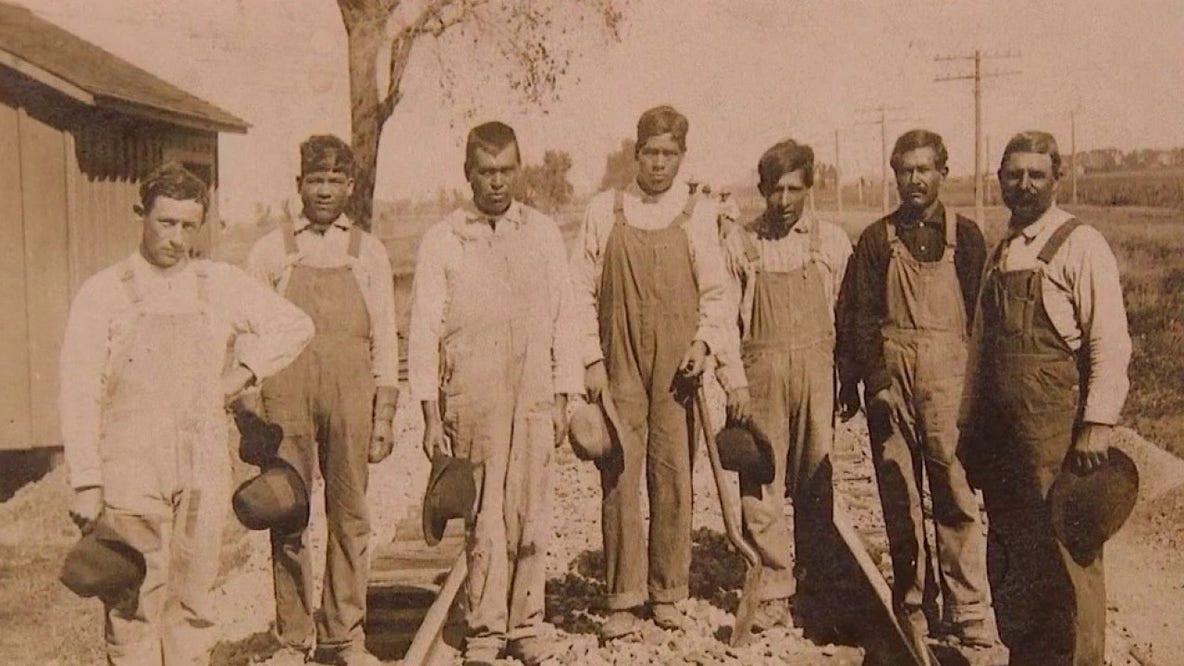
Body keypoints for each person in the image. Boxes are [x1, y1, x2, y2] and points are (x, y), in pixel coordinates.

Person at [60, 163, 314, 665]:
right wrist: (87, 480)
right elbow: (77, 389)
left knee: (193, 604)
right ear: (142, 215)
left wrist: (239, 374)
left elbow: (295, 325)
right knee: (132, 604)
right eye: (166, 223)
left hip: (201, 466)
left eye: (188, 226)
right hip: (130, 467)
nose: (177, 238)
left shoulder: (217, 283)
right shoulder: (104, 292)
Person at [571, 105, 749, 640]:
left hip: (678, 368)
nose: (658, 164)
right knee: (620, 473)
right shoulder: (607, 212)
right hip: (619, 359)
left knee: (672, 475)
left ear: (681, 157)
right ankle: (623, 594)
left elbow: (718, 295)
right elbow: (579, 292)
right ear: (635, 154)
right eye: (650, 152)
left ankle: (669, 590)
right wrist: (591, 360)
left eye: (669, 154)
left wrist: (703, 345)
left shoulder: (696, 214)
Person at [407, 121, 581, 666]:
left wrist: (562, 397)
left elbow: (565, 320)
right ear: (468, 174)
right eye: (486, 172)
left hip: (532, 392)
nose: (497, 183)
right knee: (483, 513)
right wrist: (430, 415)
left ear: (519, 170)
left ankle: (526, 622)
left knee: (530, 507)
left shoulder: (543, 233)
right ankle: (485, 629)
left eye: (506, 170)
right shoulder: (444, 239)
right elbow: (423, 331)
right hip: (471, 393)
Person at [960, 131, 1131, 666]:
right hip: (1004, 442)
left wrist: (1097, 424)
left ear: (1056, 178)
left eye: (1036, 174)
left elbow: (1110, 341)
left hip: (1059, 437)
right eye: (1014, 175)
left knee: (1067, 556)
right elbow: (980, 352)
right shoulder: (1002, 251)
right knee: (1013, 556)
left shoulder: (1081, 245)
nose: (1025, 184)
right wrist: (968, 427)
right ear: (1000, 180)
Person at [246, 135, 400, 665]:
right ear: (299, 186)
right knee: (287, 510)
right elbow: (250, 336)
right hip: (286, 396)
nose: (325, 190)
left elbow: (386, 337)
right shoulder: (272, 253)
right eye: (316, 180)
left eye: (336, 180)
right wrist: (252, 410)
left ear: (351, 187)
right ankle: (293, 635)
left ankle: (343, 635)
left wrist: (384, 415)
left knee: (350, 512)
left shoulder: (367, 252)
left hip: (351, 395)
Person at [836, 130, 991, 648]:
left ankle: (966, 608)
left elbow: (983, 318)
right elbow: (856, 316)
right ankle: (913, 603)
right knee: (899, 493)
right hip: (893, 379)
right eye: (906, 170)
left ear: (944, 174)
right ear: (895, 175)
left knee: (955, 491)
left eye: (925, 169)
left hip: (950, 377)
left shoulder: (966, 238)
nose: (915, 179)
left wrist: (978, 390)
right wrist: (872, 382)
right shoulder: (878, 239)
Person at [720, 139, 852, 635]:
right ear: (761, 191)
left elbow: (846, 314)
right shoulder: (740, 245)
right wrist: (732, 382)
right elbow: (722, 320)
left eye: (795, 189)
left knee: (817, 475)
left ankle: (816, 582)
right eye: (775, 190)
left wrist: (846, 377)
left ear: (810, 188)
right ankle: (773, 585)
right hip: (761, 378)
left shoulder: (831, 243)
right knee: (762, 481)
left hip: (817, 372)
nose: (784, 200)